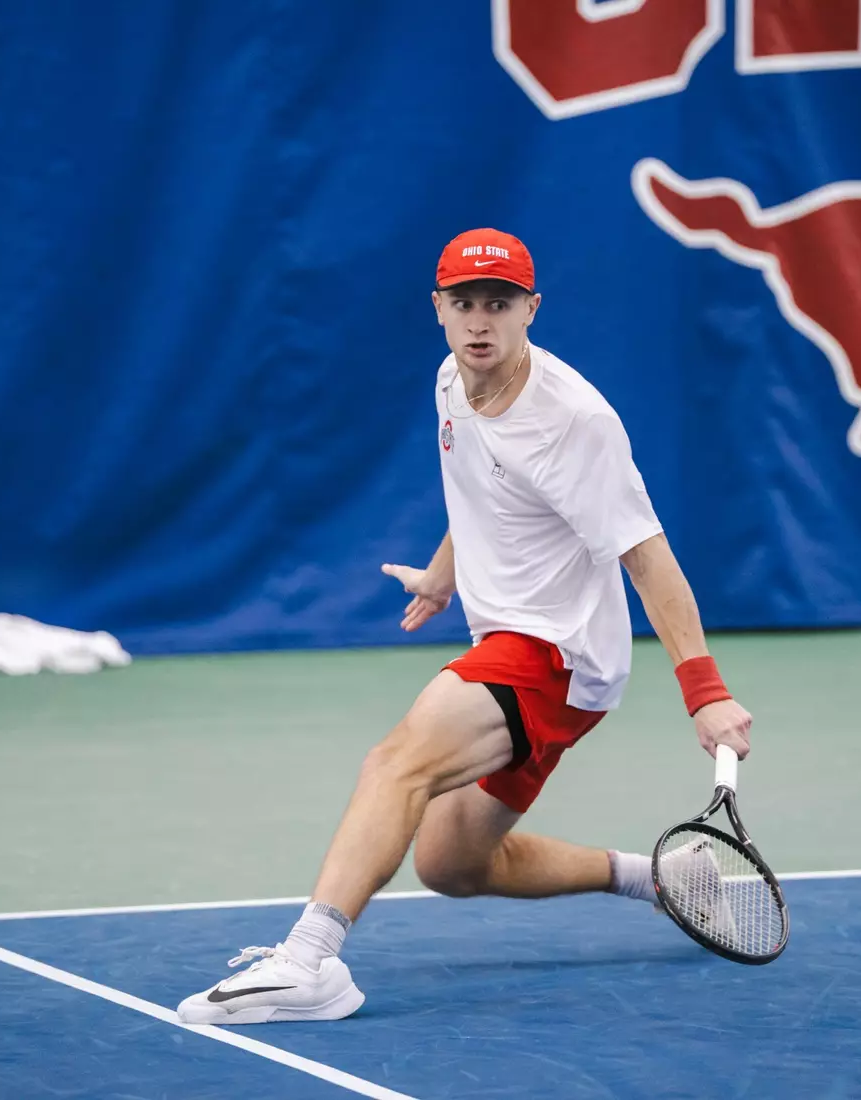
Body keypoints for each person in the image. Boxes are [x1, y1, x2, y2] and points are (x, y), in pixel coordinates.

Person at [177, 229, 752, 1025]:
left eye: (501, 304)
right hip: (506, 636)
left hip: (560, 651)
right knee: (451, 863)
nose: (481, 321)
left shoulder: (576, 421)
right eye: (465, 304)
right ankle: (662, 878)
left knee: (395, 762)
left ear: (531, 310)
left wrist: (706, 693)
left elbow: (650, 561)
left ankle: (309, 961)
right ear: (440, 310)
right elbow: (484, 482)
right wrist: (446, 572)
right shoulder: (454, 377)